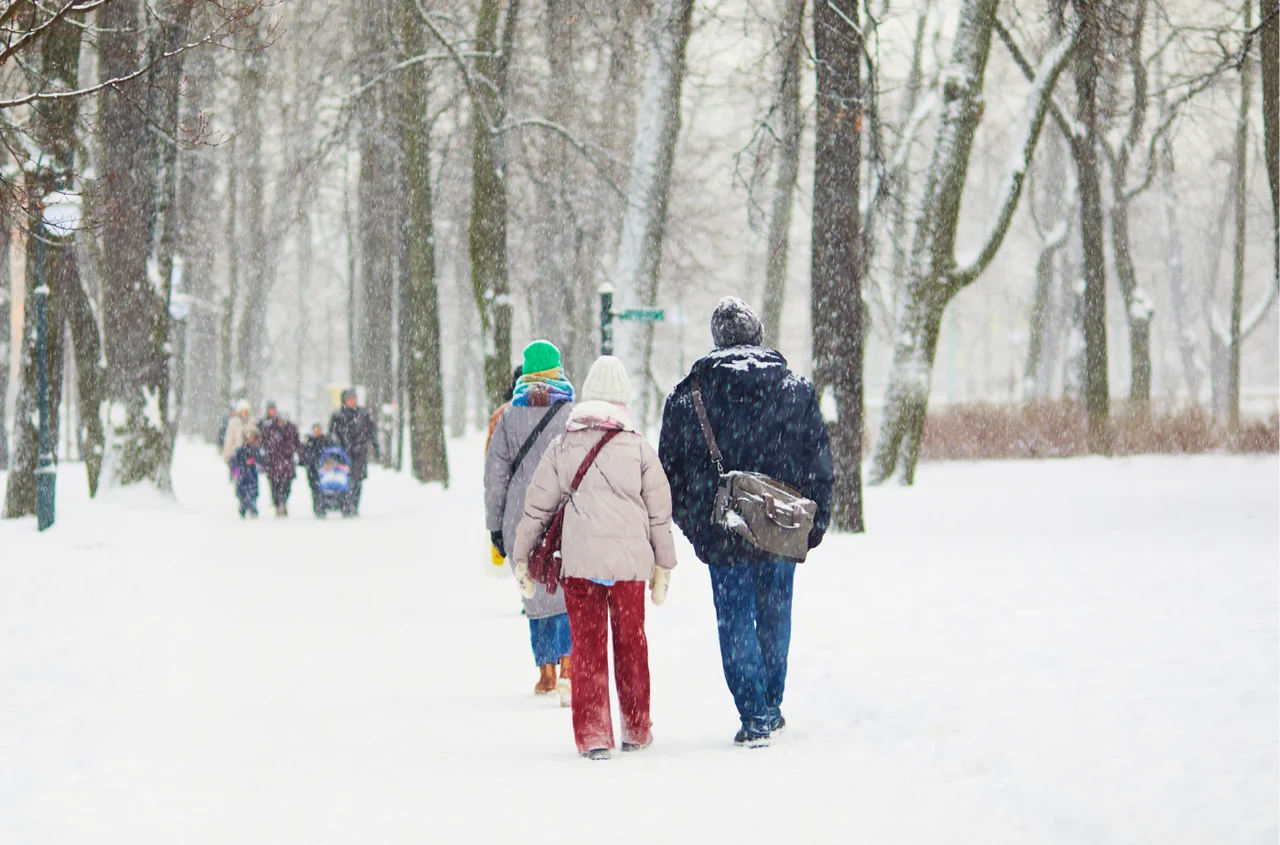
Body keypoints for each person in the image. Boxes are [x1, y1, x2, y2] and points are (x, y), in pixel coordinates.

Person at [659, 297, 833, 748]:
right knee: (775, 616)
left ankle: (753, 712)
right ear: (756, 334)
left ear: (717, 339)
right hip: (782, 524)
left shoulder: (688, 396)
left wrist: (699, 526)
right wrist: (814, 524)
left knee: (734, 619)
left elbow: (669, 473)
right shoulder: (795, 389)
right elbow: (819, 464)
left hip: (723, 530)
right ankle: (770, 705)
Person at [514, 356, 677, 760]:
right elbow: (660, 513)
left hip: (581, 562)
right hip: (629, 564)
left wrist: (521, 558)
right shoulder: (638, 446)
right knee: (631, 644)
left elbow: (536, 508)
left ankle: (593, 735)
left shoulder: (563, 444)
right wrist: (664, 566)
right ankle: (637, 728)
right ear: (622, 398)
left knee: (586, 647)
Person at [484, 341, 574, 702]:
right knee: (566, 588)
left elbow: (495, 477)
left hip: (520, 516)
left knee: (532, 590)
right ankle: (568, 662)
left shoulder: (508, 417)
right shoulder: (571, 414)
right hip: (561, 513)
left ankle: (545, 672)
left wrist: (494, 526)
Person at [328, 389, 380, 517]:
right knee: (344, 480)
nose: (352, 401)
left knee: (357, 481)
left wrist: (375, 446)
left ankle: (354, 505)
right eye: (349, 399)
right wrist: (337, 447)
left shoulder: (363, 414)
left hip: (360, 452)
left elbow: (371, 431)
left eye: (354, 398)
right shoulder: (338, 416)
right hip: (343, 453)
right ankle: (346, 505)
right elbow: (332, 434)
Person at [258, 401, 301, 517]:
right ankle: (278, 504)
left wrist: (297, 454)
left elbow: (297, 444)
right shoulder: (269, 429)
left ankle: (283, 502)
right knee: (274, 485)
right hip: (273, 462)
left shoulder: (292, 429)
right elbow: (263, 443)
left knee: (287, 485)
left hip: (287, 462)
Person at [299, 422, 335, 514]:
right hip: (312, 469)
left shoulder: (325, 441)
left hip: (324, 470)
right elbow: (304, 455)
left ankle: (324, 506)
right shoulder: (309, 442)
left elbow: (331, 452)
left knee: (324, 489)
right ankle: (318, 507)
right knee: (315, 489)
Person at [229, 428, 265, 519]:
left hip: (253, 474)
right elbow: (234, 461)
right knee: (242, 491)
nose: (250, 440)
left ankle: (252, 506)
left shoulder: (256, 450)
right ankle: (243, 506)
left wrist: (257, 464)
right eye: (249, 437)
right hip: (242, 474)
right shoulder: (240, 450)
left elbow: (261, 461)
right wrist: (237, 469)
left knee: (253, 491)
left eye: (252, 438)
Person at [221, 399, 253, 465]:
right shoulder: (233, 423)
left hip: (249, 455)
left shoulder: (251, 422)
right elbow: (229, 439)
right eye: (242, 411)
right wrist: (227, 455)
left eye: (246, 411)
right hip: (236, 455)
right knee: (237, 474)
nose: (244, 414)